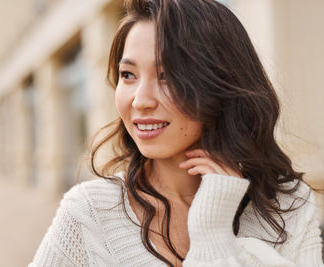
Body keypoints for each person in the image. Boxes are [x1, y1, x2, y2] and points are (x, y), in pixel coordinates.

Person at [29, 0, 324, 266]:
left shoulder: (287, 206)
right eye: (128, 75)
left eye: (167, 76)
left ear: (219, 84)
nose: (140, 100)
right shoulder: (90, 213)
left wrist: (214, 232)